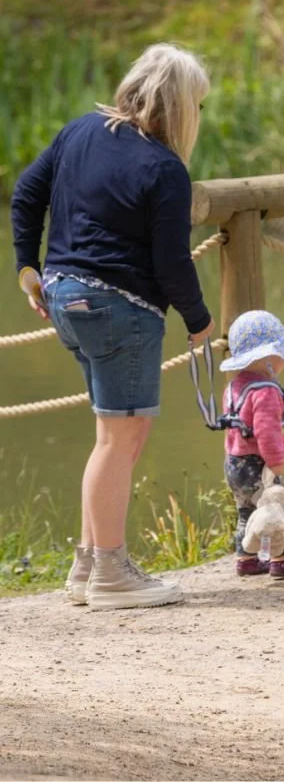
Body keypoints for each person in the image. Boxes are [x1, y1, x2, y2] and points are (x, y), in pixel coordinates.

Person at [10, 44, 214, 610]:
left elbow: (25, 196)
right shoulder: (166, 168)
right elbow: (173, 263)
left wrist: (29, 271)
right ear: (181, 106)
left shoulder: (80, 132)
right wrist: (200, 321)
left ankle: (85, 564)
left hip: (66, 300)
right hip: (121, 311)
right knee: (119, 441)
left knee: (112, 439)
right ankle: (111, 573)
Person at [219, 309, 284, 580]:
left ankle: (246, 559)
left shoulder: (235, 387)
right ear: (267, 358)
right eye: (280, 353)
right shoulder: (266, 391)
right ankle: (280, 560)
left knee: (247, 511)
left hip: (234, 463)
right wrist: (276, 462)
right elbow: (267, 431)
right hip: (259, 464)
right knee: (274, 511)